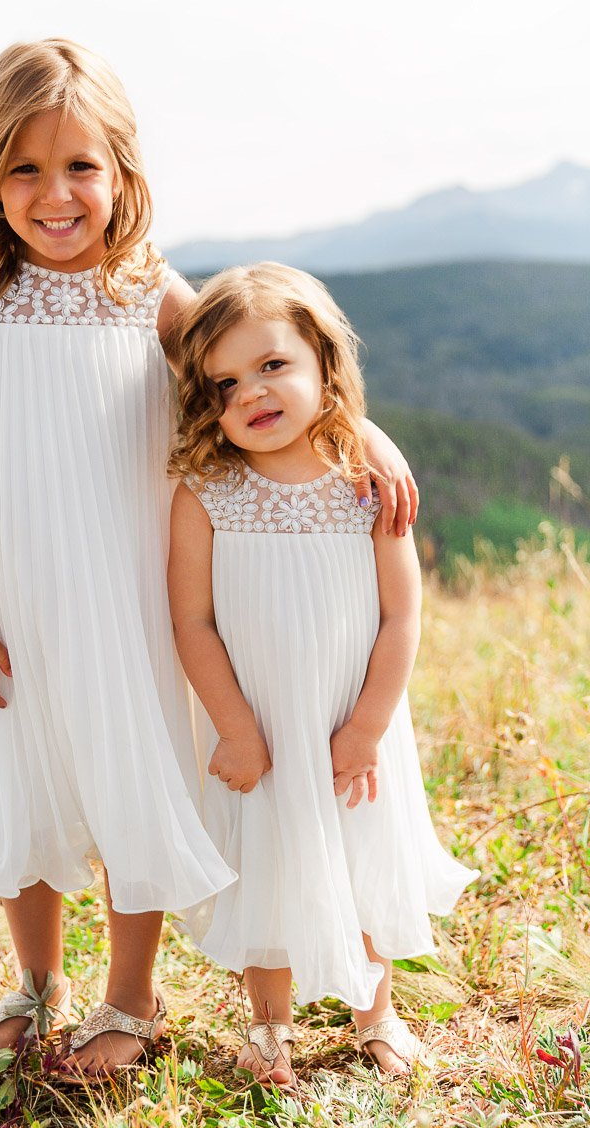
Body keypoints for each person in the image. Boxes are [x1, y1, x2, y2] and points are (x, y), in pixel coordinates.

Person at [0, 39, 418, 1079]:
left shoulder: (146, 290)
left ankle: (130, 997)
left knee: (129, 780)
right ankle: (36, 986)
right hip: (1, 597)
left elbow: (263, 352)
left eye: (79, 164)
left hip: (122, 599)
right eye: (23, 168)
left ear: (121, 170)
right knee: (18, 777)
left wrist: (365, 431)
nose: (54, 192)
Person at [167, 263, 477, 1089]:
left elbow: (401, 616)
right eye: (225, 384)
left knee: (361, 857)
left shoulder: (362, 481)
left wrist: (368, 727)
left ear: (321, 359)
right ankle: (270, 1027)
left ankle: (376, 1012)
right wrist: (234, 726)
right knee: (265, 864)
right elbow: (192, 621)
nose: (253, 394)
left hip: (350, 720)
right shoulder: (207, 491)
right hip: (260, 725)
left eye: (273, 366)